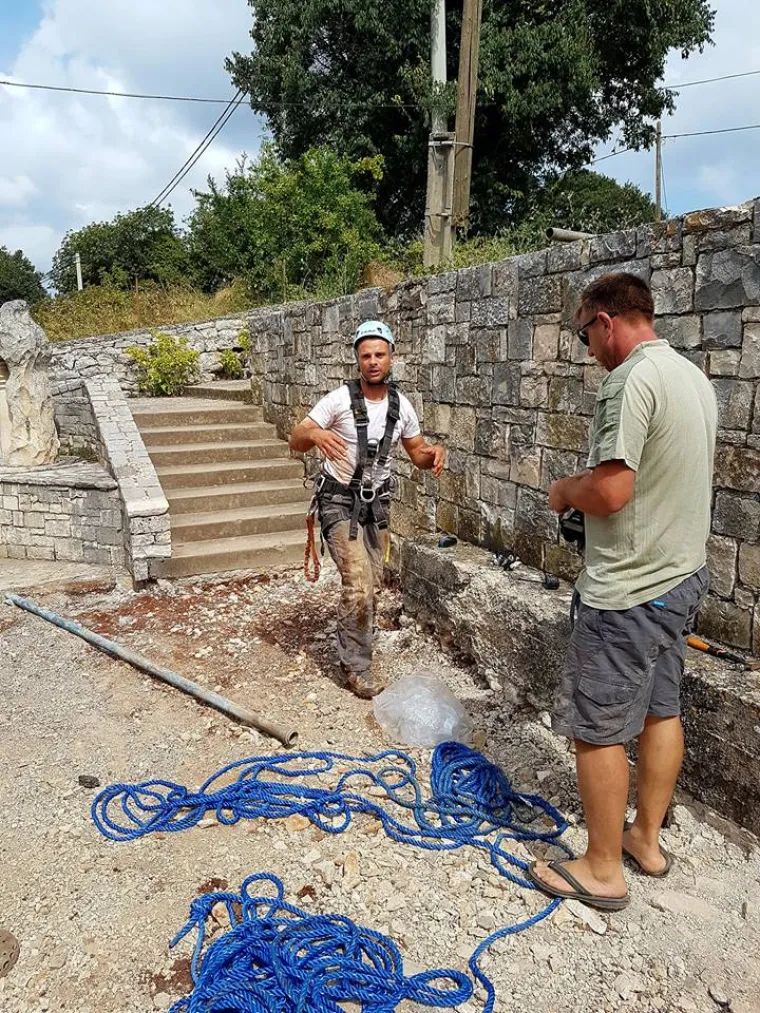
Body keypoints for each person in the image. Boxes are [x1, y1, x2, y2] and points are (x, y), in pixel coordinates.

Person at [528, 272, 717, 911]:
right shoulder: (692, 378)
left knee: (598, 727)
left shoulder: (628, 380)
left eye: (586, 333)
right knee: (663, 708)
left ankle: (603, 868)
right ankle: (646, 838)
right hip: (681, 575)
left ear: (607, 321)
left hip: (628, 590)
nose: (586, 348)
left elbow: (611, 492)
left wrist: (562, 490)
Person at [289, 320, 445, 699]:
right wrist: (315, 434)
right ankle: (356, 666)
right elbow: (297, 438)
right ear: (358, 360)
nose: (373, 362)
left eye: (380, 354)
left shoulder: (401, 406)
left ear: (392, 357)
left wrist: (433, 454)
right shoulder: (339, 400)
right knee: (358, 583)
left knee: (370, 585)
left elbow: (417, 452)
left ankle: (354, 636)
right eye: (366, 356)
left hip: (377, 506)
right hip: (339, 499)